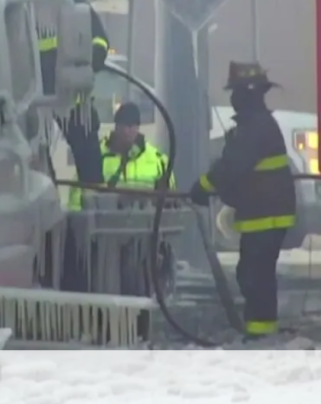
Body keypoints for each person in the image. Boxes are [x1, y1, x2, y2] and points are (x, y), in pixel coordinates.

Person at [189, 61, 297, 340]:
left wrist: (203, 187)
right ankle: (259, 329)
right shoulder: (257, 124)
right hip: (263, 212)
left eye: (236, 93)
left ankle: (260, 334)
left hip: (265, 215)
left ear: (247, 94)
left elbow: (232, 166)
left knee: (254, 276)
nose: (234, 99)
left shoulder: (254, 127)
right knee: (254, 274)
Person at [30, 0, 111, 187]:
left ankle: (95, 199)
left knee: (88, 156)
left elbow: (100, 39)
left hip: (72, 96)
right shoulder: (23, 4)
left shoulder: (76, 2)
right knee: (35, 156)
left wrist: (93, 58)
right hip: (35, 99)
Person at [68, 102, 173, 210]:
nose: (126, 131)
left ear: (138, 127)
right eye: (123, 125)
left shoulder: (159, 161)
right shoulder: (94, 156)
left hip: (146, 225)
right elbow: (78, 196)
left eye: (131, 126)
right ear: (116, 126)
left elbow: (170, 203)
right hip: (105, 224)